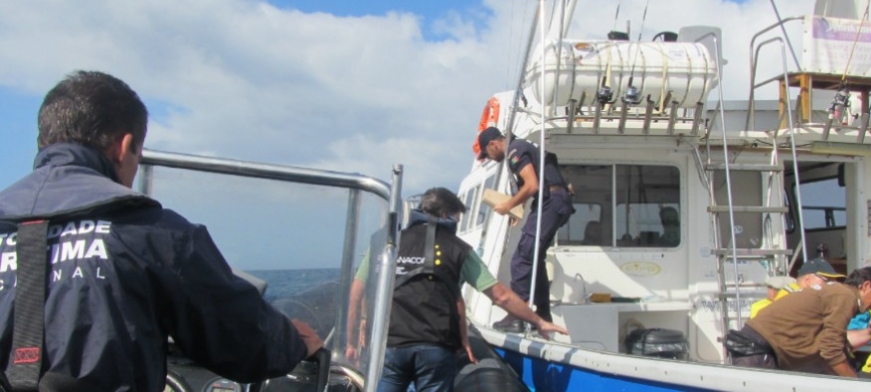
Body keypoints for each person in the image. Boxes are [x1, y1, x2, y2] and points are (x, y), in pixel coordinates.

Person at [0, 71, 323, 391]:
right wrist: (293, 343)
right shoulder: (153, 233)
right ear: (124, 147)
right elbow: (241, 343)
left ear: (43, 142)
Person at [347, 187, 567, 392]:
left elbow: (357, 291)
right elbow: (499, 296)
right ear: (445, 215)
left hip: (391, 346)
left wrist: (351, 342)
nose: (457, 223)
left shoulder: (387, 245)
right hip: (436, 347)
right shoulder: (459, 249)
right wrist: (538, 321)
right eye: (456, 218)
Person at [477, 127, 574, 331]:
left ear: (493, 144)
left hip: (550, 202)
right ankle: (543, 313)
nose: (489, 157)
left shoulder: (515, 150)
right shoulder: (522, 146)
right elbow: (532, 184)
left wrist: (508, 206)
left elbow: (532, 185)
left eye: (487, 153)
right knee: (534, 258)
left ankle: (517, 315)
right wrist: (517, 209)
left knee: (522, 258)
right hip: (556, 201)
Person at [727, 266, 871, 377]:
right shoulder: (845, 296)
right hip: (759, 350)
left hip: (757, 347)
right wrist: (856, 384)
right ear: (866, 286)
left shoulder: (834, 293)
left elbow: (832, 348)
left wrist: (870, 333)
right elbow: (831, 351)